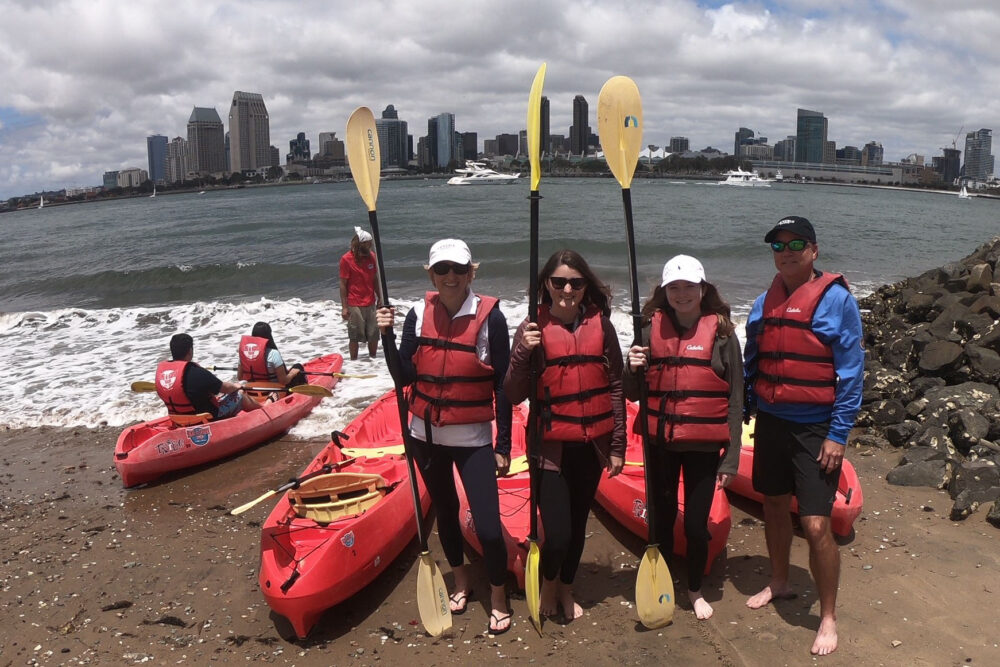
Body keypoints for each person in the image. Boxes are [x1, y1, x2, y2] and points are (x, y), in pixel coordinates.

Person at [375, 238, 513, 635]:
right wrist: (385, 336)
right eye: (442, 270)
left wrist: (502, 444)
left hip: (472, 441)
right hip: (426, 438)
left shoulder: (491, 319)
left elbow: (502, 385)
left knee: (488, 526)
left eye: (459, 269)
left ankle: (499, 597)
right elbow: (403, 376)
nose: (450, 277)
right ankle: (462, 581)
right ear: (431, 273)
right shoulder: (417, 313)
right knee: (446, 514)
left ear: (472, 271)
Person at [743, 216, 863, 656]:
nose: (786, 251)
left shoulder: (837, 302)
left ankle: (828, 616)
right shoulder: (762, 302)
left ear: (813, 250)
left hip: (816, 426)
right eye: (778, 245)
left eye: (796, 243)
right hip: (771, 421)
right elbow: (751, 358)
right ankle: (779, 581)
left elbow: (851, 374)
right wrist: (745, 408)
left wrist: (838, 435)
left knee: (815, 524)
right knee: (772, 505)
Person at [504, 249, 626, 622]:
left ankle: (567, 587)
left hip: (590, 447)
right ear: (546, 285)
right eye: (559, 282)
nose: (567, 289)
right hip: (549, 447)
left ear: (585, 285)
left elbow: (616, 386)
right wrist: (525, 351)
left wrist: (617, 445)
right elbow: (512, 393)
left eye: (575, 282)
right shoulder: (532, 329)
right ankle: (550, 583)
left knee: (577, 527)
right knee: (557, 533)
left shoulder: (601, 326)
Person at [623, 255, 742, 621]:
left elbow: (736, 400)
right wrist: (632, 367)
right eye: (674, 288)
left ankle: (693, 589)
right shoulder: (647, 330)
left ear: (703, 289)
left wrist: (731, 457)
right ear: (664, 292)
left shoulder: (722, 335)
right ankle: (658, 574)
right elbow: (630, 392)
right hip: (660, 444)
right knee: (659, 516)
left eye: (689, 286)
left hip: (703, 449)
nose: (682, 294)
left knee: (695, 525)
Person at [155, 333, 262, 419]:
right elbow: (225, 388)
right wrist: (236, 386)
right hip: (206, 417)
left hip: (179, 417)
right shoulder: (197, 373)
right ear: (190, 351)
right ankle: (264, 408)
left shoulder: (163, 375)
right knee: (240, 394)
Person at [339, 226, 382, 360]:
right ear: (360, 244)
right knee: (355, 336)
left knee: (374, 333)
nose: (370, 246)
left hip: (370, 301)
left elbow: (375, 279)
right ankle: (353, 362)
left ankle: (373, 359)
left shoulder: (372, 257)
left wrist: (380, 297)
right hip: (354, 303)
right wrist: (344, 307)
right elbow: (343, 284)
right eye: (368, 244)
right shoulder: (346, 259)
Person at [237, 321, 307, 388]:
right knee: (298, 366)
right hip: (274, 390)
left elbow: (240, 377)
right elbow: (283, 381)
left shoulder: (245, 354)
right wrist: (293, 373)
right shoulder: (273, 353)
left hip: (253, 389)